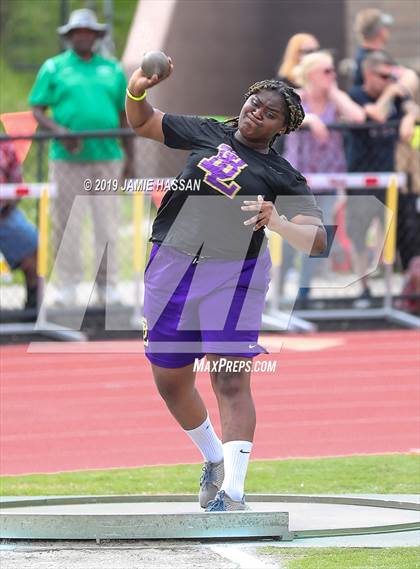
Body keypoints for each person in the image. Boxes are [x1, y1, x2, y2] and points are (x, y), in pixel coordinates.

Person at [126, 61, 326, 511]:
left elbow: (317, 240)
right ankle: (213, 459)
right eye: (256, 103)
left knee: (230, 380)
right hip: (172, 265)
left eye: (271, 113)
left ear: (282, 128)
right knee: (170, 382)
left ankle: (233, 494)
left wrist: (277, 221)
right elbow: (142, 121)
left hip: (235, 275)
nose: (258, 113)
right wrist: (137, 90)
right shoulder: (205, 132)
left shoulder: (282, 175)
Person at [29, 9, 134, 306]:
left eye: (88, 31)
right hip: (66, 159)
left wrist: (131, 158)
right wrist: (60, 130)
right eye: (77, 31)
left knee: (106, 223)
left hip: (107, 159)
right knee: (67, 224)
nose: (83, 35)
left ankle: (107, 287)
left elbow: (124, 115)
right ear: (69, 36)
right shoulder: (53, 67)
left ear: (97, 36)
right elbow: (37, 109)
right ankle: (67, 286)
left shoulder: (112, 70)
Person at [282, 51, 365, 301]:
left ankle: (304, 291)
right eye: (326, 71)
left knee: (319, 235)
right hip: (298, 180)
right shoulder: (296, 97)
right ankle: (275, 288)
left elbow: (358, 117)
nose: (332, 75)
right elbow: (286, 116)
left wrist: (335, 91)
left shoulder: (335, 100)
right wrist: (312, 119)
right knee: (289, 235)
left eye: (333, 71)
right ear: (310, 74)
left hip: (328, 178)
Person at [346, 50, 418, 303]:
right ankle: (363, 290)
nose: (388, 81)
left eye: (391, 76)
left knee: (399, 232)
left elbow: (413, 109)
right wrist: (391, 92)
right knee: (359, 234)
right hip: (361, 176)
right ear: (368, 74)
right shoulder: (356, 94)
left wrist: (408, 116)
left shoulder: (396, 99)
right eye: (383, 76)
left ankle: (400, 290)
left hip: (390, 177)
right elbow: (375, 113)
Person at [0, 142, 38, 310]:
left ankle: (32, 307)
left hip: (4, 215)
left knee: (31, 242)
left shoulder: (5, 147)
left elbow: (17, 183)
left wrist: (8, 205)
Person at [352, 8, 418, 97]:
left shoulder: (362, 54)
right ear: (381, 31)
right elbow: (404, 76)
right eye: (386, 27)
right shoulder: (372, 58)